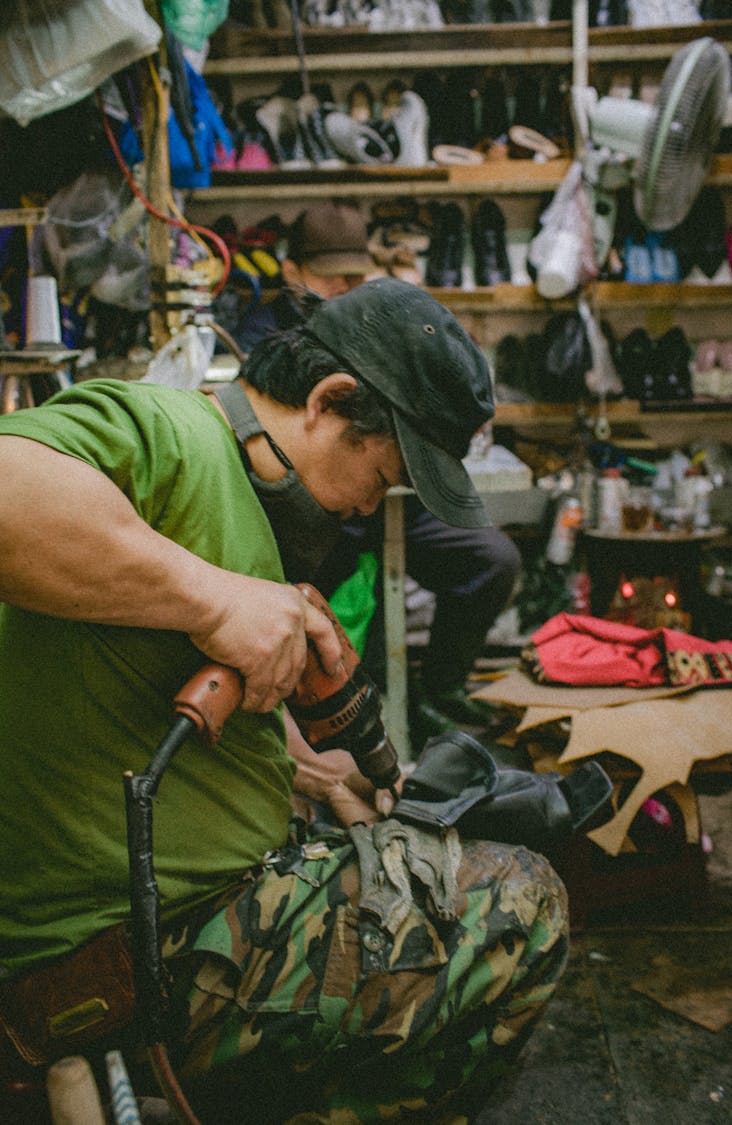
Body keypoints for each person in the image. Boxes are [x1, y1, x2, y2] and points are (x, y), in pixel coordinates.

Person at [0, 278, 567, 1124]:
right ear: (329, 399)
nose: (371, 505)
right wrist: (213, 599)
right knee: (524, 905)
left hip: (185, 918)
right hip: (127, 956)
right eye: (380, 474)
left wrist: (303, 774)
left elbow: (123, 687)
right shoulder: (175, 432)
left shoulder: (248, 499)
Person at [235, 201, 523, 745]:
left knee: (492, 560)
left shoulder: (377, 319)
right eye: (330, 274)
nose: (344, 285)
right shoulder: (261, 334)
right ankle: (318, 720)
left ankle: (437, 691)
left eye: (355, 274)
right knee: (317, 606)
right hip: (318, 497)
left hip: (373, 483)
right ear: (291, 270)